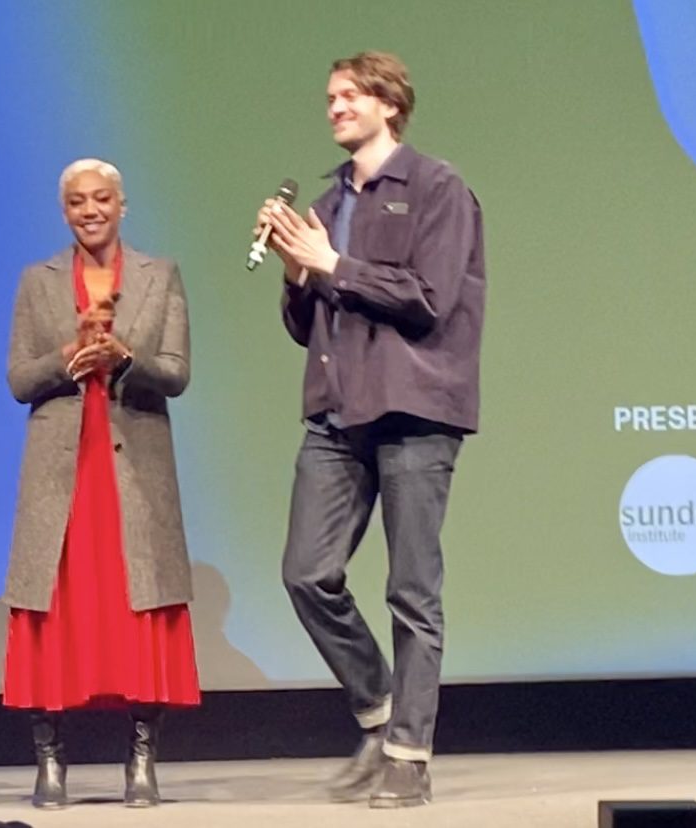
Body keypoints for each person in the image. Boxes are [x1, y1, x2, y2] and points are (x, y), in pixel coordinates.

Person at [260, 50, 486, 809]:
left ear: (390, 104)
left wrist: (332, 262)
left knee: (411, 590)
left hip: (414, 408)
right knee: (306, 573)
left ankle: (409, 756)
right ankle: (380, 711)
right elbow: (308, 326)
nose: (335, 107)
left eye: (350, 95)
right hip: (336, 411)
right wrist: (298, 273)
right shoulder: (329, 201)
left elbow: (430, 298)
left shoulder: (436, 186)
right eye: (330, 97)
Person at [2, 158, 199, 810]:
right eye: (77, 202)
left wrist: (124, 357)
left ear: (122, 205)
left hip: (132, 467)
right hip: (62, 469)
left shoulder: (159, 274)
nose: (90, 211)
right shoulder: (37, 280)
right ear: (65, 211)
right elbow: (18, 379)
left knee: (136, 606)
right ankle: (50, 759)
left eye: (102, 199)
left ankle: (141, 757)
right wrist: (68, 357)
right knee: (55, 608)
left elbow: (176, 372)